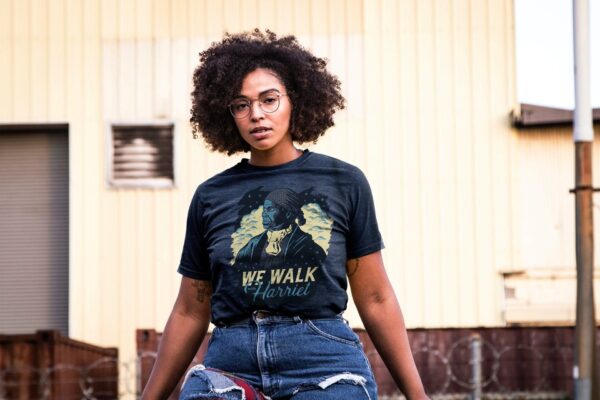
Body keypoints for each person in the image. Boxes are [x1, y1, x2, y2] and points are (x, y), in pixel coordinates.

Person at [142, 30, 428, 400]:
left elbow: (375, 298)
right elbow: (189, 311)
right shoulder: (210, 197)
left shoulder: (344, 183)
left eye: (269, 100)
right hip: (231, 363)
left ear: (297, 101)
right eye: (241, 105)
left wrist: (417, 395)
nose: (256, 114)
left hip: (323, 363)